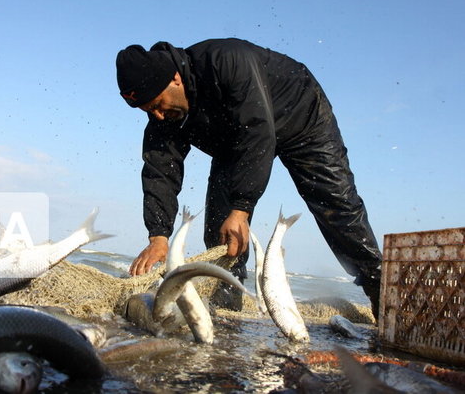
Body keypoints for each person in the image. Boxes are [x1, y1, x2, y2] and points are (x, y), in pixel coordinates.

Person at [115, 38, 382, 318]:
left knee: (337, 207)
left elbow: (257, 130)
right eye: (148, 111)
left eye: (158, 104)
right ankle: (228, 306)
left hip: (301, 116)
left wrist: (242, 208)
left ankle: (378, 286)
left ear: (176, 79)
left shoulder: (227, 62)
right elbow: (160, 171)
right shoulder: (163, 116)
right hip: (234, 141)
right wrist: (159, 235)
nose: (158, 115)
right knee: (222, 230)